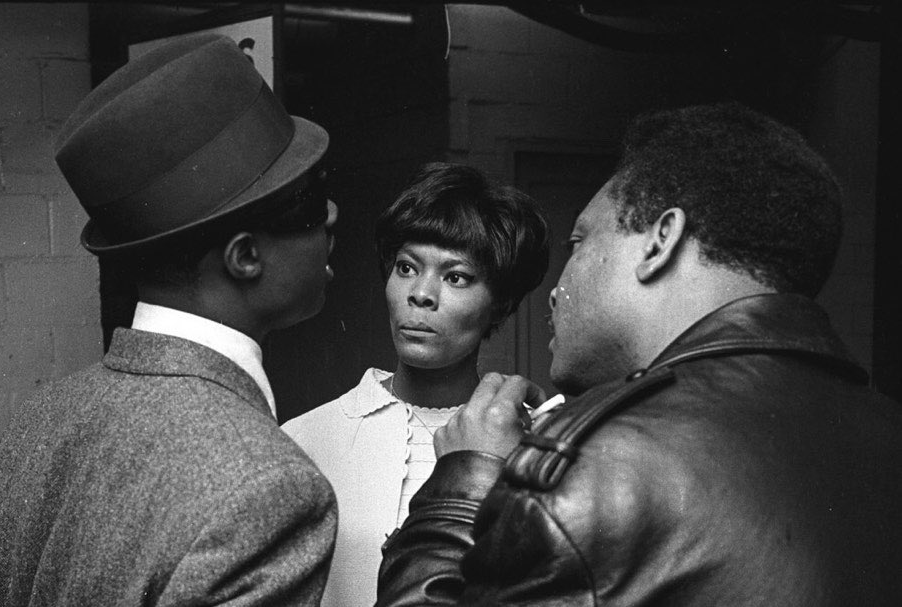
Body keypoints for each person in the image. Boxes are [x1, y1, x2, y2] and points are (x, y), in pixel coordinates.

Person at [376, 102, 902, 605]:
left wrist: (464, 482)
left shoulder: (588, 464)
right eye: (406, 267)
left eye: (578, 243)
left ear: (660, 242)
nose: (557, 290)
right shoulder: (886, 430)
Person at [0, 34, 339, 606]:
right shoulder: (269, 486)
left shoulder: (45, 419)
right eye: (308, 198)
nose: (333, 213)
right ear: (245, 257)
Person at [282, 163, 549, 607]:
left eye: (455, 276)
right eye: (406, 267)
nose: (421, 294)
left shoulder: (530, 445)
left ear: (499, 306)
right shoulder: (303, 439)